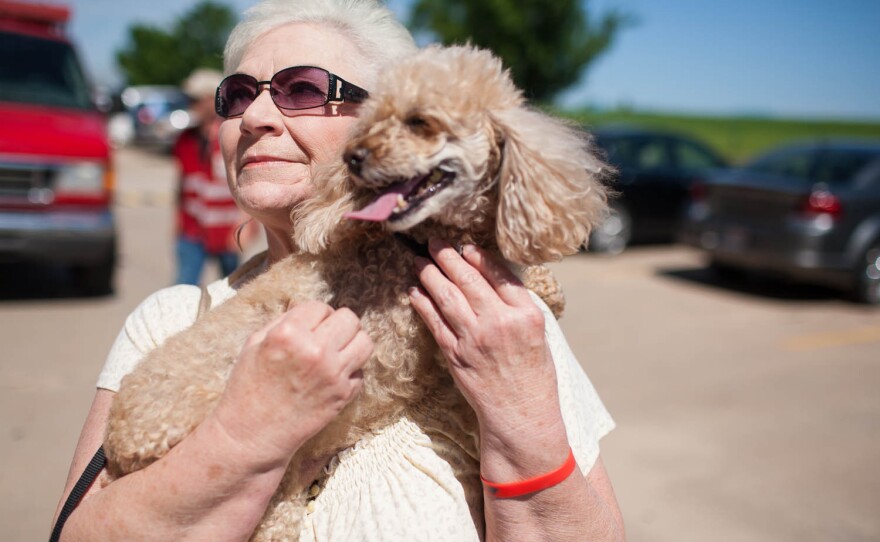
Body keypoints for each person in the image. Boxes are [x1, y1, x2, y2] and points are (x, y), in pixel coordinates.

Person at [52, 1, 624, 540]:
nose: (256, 116)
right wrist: (247, 430)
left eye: (303, 89)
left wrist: (521, 415)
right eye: (238, 94)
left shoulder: (510, 323)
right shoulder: (168, 321)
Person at [173, 68, 244, 285]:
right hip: (192, 231)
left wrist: (244, 226)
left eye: (194, 99)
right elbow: (180, 185)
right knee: (183, 289)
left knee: (234, 292)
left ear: (209, 100)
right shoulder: (185, 139)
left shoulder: (234, 137)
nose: (190, 104)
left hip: (227, 232)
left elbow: (245, 181)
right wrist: (176, 227)